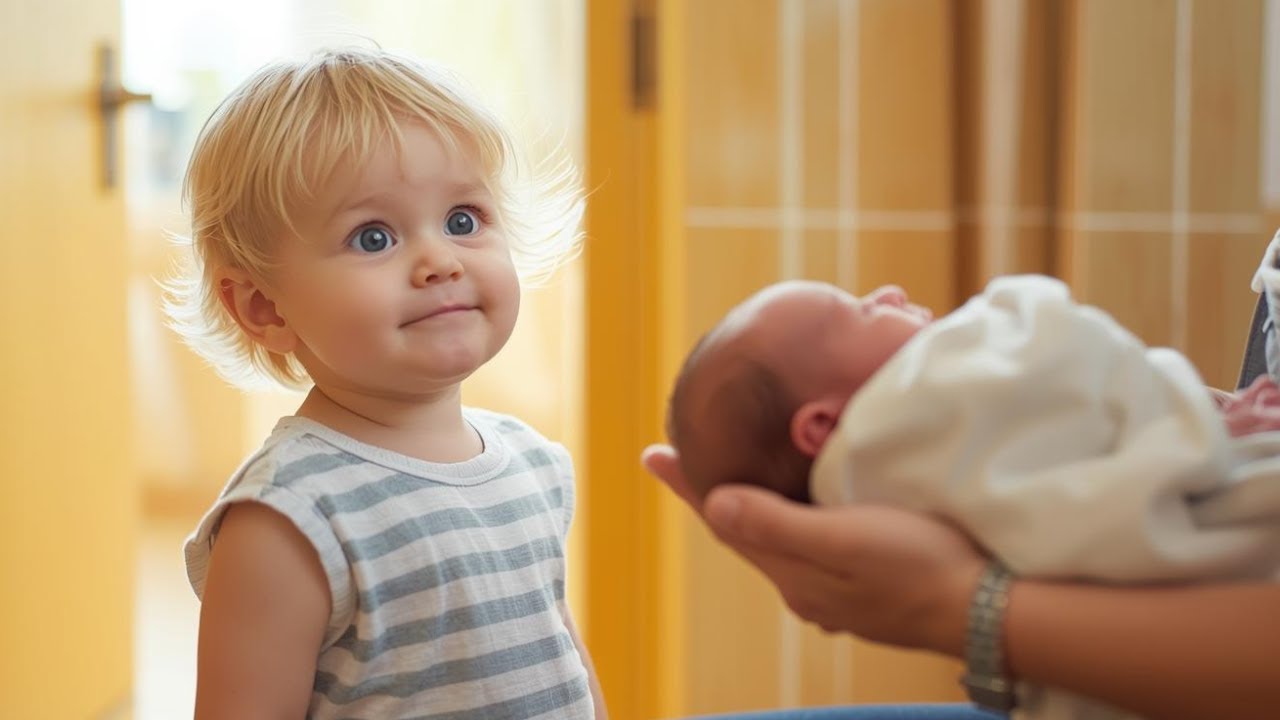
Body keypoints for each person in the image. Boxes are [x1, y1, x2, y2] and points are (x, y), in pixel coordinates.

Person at [168, 47, 605, 718]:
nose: (439, 260)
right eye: (373, 237)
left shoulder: (535, 466)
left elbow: (561, 661)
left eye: (464, 220)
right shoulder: (290, 519)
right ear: (264, 307)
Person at [645, 265, 1280, 718]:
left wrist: (1196, 420)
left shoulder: (902, 462)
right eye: (863, 310)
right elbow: (1061, 346)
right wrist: (1203, 432)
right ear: (822, 426)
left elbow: (1074, 447)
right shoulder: (911, 412)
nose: (890, 291)